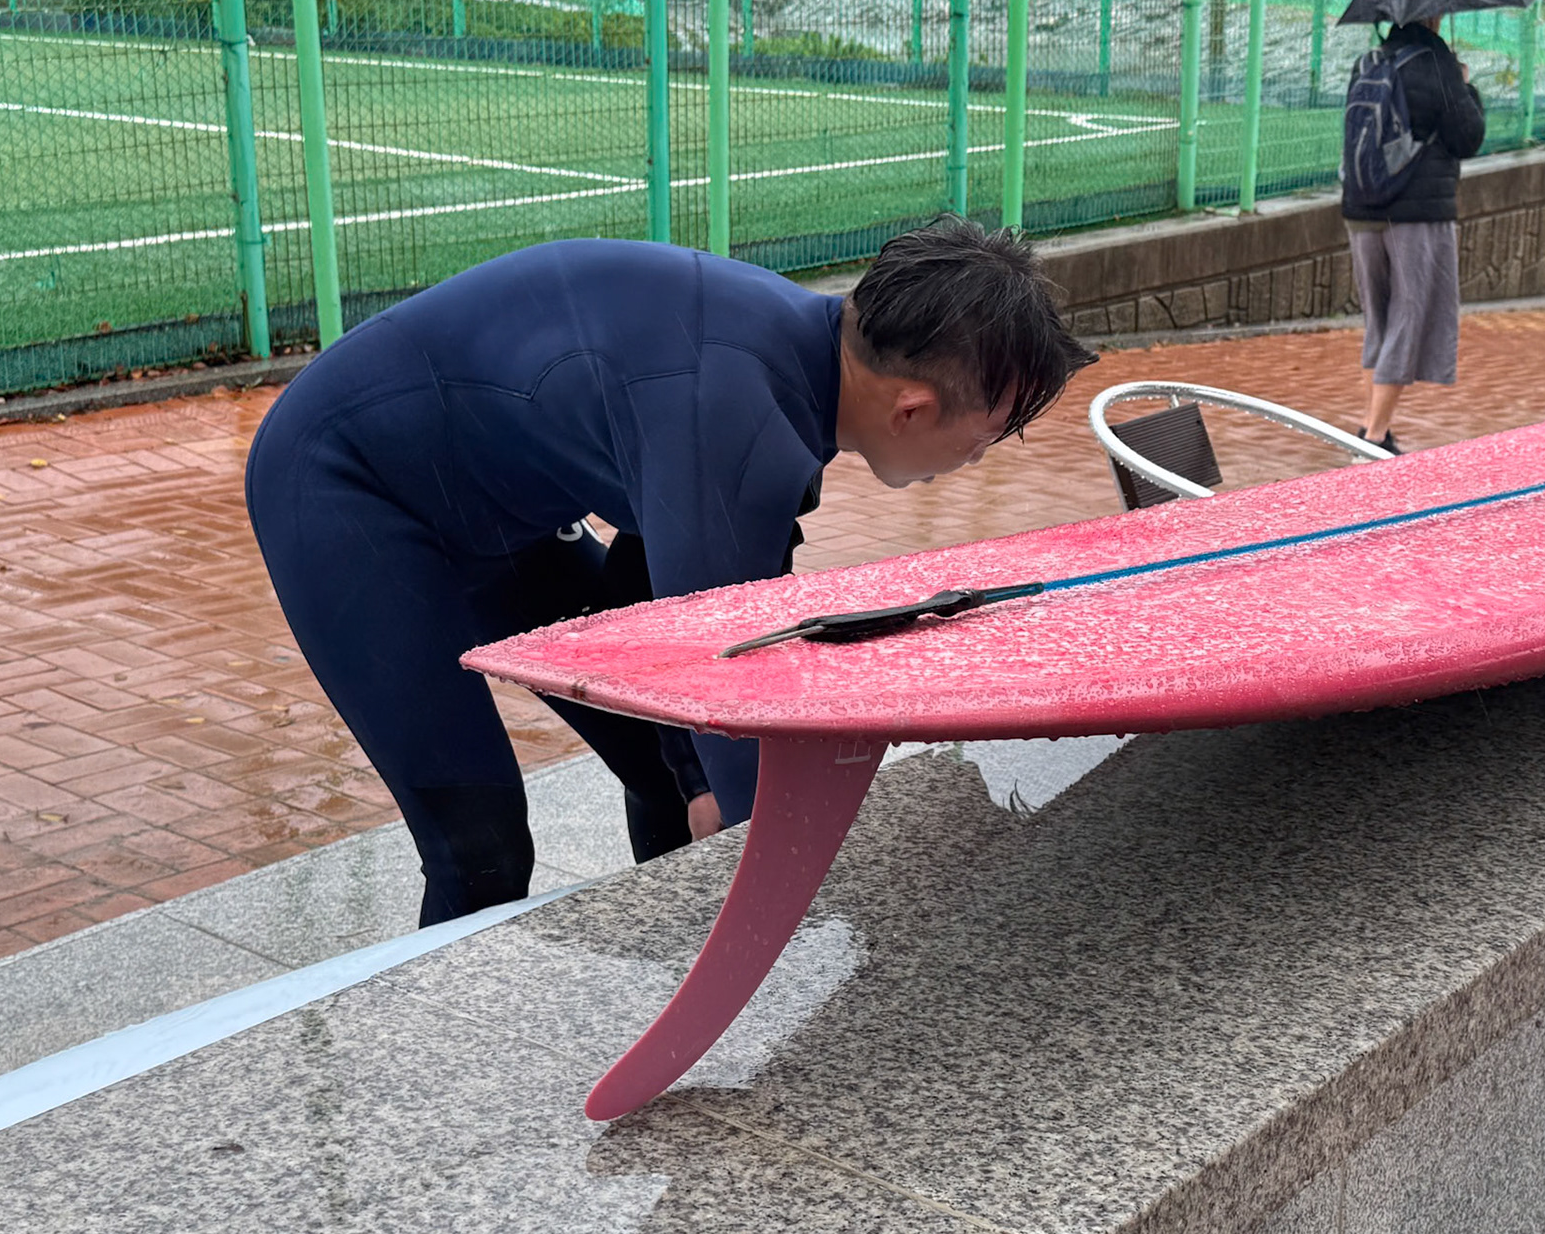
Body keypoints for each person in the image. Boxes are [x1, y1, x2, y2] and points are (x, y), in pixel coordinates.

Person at [245, 218, 1094, 927]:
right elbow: (727, 713)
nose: (976, 460)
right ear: (912, 407)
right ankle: (439, 1063)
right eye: (987, 438)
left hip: (494, 504)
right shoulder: (734, 422)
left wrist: (705, 789)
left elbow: (656, 589)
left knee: (669, 771)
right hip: (348, 484)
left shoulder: (796, 362)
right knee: (480, 843)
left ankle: (676, 984)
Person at [1341, 15, 1485, 455]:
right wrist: (1465, 87)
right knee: (1409, 318)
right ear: (1433, 16)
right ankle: (1375, 438)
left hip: (1361, 210)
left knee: (1379, 321)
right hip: (1416, 214)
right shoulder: (1438, 65)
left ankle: (1369, 426)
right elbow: (1468, 138)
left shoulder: (1368, 62)